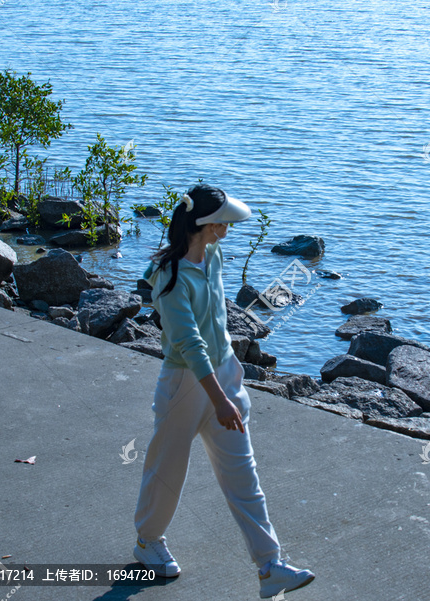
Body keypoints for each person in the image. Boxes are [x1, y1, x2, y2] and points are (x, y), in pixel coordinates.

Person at [132, 183, 315, 599]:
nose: (229, 225)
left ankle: (270, 566)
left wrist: (227, 385)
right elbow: (188, 343)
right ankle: (148, 542)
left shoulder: (211, 255)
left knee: (243, 475)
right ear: (204, 224)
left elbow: (213, 324)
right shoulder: (172, 276)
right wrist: (220, 400)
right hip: (186, 384)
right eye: (222, 219)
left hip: (224, 374)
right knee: (168, 470)